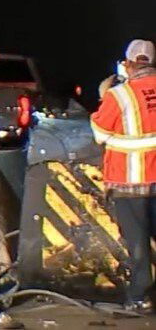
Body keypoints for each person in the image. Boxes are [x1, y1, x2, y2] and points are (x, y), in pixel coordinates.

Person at [91, 38, 156, 311]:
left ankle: (141, 297)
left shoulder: (119, 95)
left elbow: (100, 134)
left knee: (138, 244)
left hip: (130, 182)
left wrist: (105, 94)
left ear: (128, 64)